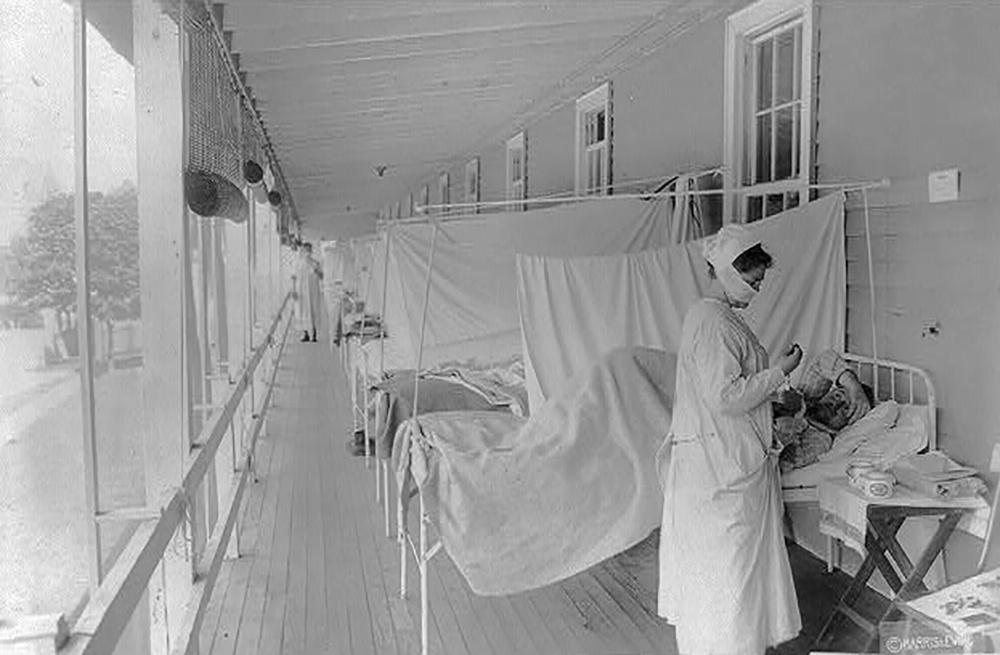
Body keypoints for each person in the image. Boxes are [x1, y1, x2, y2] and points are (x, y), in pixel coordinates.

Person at [657, 224, 803, 655]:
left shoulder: (718, 318)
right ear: (733, 273)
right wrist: (781, 370)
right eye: (754, 281)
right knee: (726, 572)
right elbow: (724, 397)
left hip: (721, 457)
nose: (758, 291)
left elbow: (727, 391)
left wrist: (773, 402)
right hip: (718, 469)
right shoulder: (712, 320)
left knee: (728, 573)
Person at [774, 350, 874, 472]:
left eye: (845, 408)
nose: (835, 404)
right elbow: (824, 359)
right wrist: (854, 387)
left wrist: (794, 421)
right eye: (838, 395)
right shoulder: (809, 397)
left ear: (850, 423)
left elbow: (783, 462)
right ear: (831, 390)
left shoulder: (820, 441)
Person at [296, 242, 323, 342]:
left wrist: (316, 271)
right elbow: (294, 277)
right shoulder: (299, 264)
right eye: (305, 250)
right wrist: (294, 290)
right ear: (302, 251)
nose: (307, 252)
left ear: (311, 251)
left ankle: (314, 334)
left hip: (313, 292)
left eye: (308, 250)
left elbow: (321, 276)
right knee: (304, 311)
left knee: (313, 310)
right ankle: (306, 334)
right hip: (302, 292)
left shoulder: (315, 263)